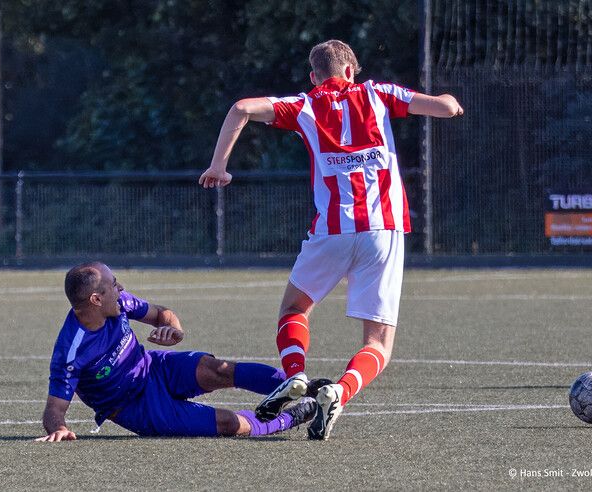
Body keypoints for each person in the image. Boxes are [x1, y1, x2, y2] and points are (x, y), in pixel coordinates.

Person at [199, 40, 464, 440]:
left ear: (313, 77)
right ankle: (340, 392)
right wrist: (450, 101)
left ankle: (296, 375)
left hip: (331, 231)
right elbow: (444, 108)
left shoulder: (305, 104)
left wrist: (219, 165)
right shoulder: (379, 94)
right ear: (352, 70)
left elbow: (241, 108)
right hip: (383, 231)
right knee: (377, 342)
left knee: (294, 309)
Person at [36, 261, 320, 442]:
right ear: (96, 299)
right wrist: (58, 428)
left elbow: (162, 314)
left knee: (217, 369)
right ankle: (291, 417)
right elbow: (54, 409)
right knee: (226, 423)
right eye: (113, 285)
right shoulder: (71, 350)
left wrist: (175, 330)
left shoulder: (120, 302)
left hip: (153, 366)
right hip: (138, 407)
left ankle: (308, 389)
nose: (120, 287)